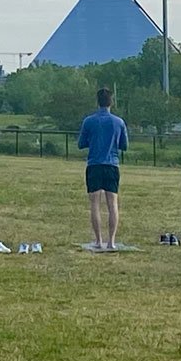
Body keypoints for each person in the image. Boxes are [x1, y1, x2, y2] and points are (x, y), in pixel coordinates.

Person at [77, 87, 130, 250]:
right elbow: (124, 145)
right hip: (112, 164)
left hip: (94, 164)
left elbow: (81, 143)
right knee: (112, 204)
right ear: (111, 102)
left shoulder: (89, 121)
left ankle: (99, 240)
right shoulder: (118, 122)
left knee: (95, 204)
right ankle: (111, 241)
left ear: (97, 102)